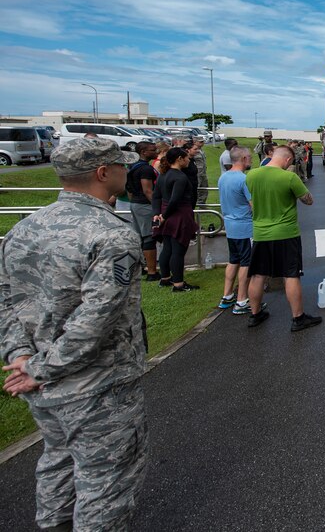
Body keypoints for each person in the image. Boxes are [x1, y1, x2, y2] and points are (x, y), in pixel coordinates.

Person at [0, 138, 149, 529]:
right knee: (105, 486)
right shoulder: (112, 234)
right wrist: (38, 368)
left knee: (58, 463)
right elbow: (96, 320)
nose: (125, 172)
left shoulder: (26, 226)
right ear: (103, 172)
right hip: (97, 386)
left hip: (42, 385)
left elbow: (6, 296)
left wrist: (19, 355)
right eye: (120, 165)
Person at [245, 146, 321, 332]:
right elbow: (308, 200)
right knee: (291, 274)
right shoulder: (289, 177)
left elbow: (252, 201)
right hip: (286, 233)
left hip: (261, 232)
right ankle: (298, 317)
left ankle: (254, 314)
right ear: (287, 160)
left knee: (258, 274)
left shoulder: (252, 175)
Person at [152, 147, 199, 292]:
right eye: (186, 158)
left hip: (165, 213)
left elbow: (156, 196)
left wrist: (157, 214)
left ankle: (165, 278)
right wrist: (165, 216)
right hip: (179, 214)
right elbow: (175, 200)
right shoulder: (180, 177)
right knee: (178, 249)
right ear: (179, 159)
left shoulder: (163, 175)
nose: (189, 160)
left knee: (167, 247)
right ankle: (178, 283)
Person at [217, 146, 254, 315]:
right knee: (246, 263)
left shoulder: (223, 178)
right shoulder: (243, 179)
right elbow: (253, 204)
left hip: (230, 224)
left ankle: (227, 295)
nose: (251, 160)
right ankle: (242, 299)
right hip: (244, 226)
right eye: (250, 157)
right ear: (244, 158)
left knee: (233, 260)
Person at [126, 141, 160, 280]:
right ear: (143, 152)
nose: (156, 151)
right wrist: (157, 208)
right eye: (152, 150)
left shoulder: (133, 166)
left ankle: (141, 267)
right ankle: (152, 272)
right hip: (144, 206)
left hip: (135, 203)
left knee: (140, 237)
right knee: (148, 237)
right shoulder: (145, 169)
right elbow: (148, 190)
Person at [191, 138, 208, 206]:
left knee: (204, 189)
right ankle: (195, 204)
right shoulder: (193, 150)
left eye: (203, 142)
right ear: (195, 142)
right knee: (196, 189)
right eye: (200, 142)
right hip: (197, 173)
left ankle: (202, 204)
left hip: (203, 172)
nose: (202, 143)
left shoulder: (201, 151)